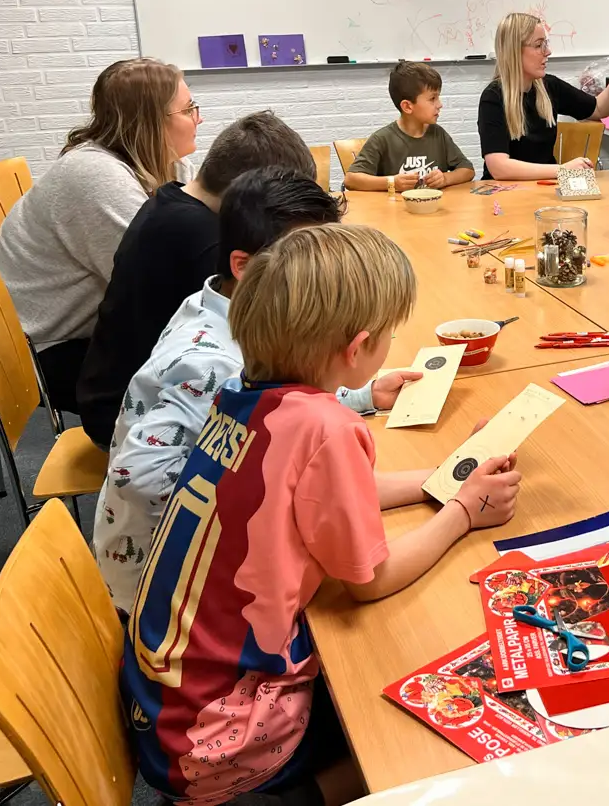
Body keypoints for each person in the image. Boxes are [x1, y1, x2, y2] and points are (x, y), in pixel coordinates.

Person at [123, 222, 522, 806]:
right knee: (424, 749)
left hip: (164, 705)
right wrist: (463, 511)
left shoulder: (244, 395)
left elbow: (333, 494)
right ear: (358, 349)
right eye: (389, 333)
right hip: (221, 742)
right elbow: (370, 580)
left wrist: (447, 476)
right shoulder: (327, 427)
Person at [92, 167, 407, 612]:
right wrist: (256, 516)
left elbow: (265, 405)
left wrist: (361, 396)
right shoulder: (215, 363)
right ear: (246, 266)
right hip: (164, 589)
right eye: (304, 260)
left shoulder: (215, 306)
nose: (323, 277)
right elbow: (138, 476)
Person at [76, 111, 315, 448]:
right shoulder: (207, 242)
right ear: (247, 194)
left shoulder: (171, 199)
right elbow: (265, 345)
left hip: (120, 395)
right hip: (138, 422)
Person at [0, 58, 200, 411]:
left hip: (72, 331)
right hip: (39, 350)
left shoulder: (165, 162)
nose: (198, 118)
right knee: (201, 376)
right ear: (151, 122)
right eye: (188, 109)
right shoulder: (96, 177)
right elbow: (161, 284)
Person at [478, 12, 609, 180]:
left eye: (546, 44)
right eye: (538, 45)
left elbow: (598, 109)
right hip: (504, 193)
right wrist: (562, 169)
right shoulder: (493, 98)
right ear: (514, 51)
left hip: (543, 187)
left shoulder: (549, 86)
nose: (548, 51)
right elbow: (499, 168)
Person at [344, 61, 475, 192]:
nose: (440, 104)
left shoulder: (438, 134)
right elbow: (351, 180)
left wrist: (445, 178)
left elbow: (467, 170)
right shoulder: (382, 139)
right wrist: (391, 183)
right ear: (407, 106)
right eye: (432, 99)